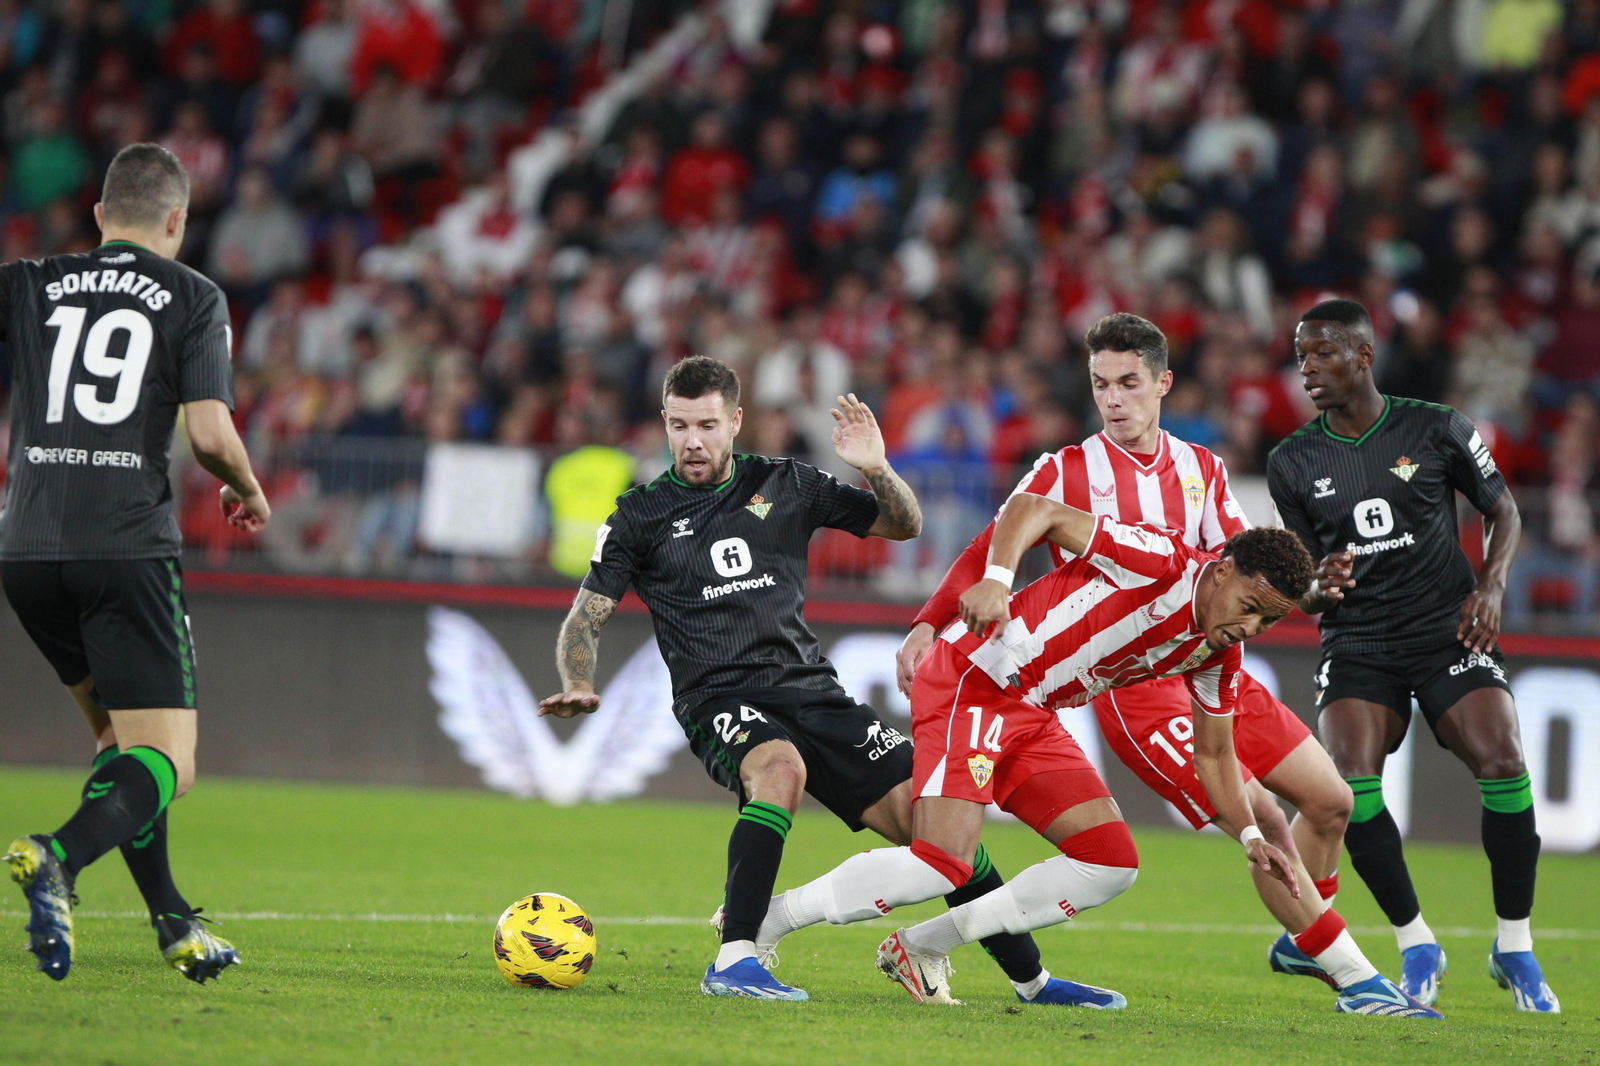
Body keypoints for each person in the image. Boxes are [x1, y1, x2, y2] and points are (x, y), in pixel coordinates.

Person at [539, 356, 1096, 1006]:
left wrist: (876, 467)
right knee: (779, 772)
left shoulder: (788, 483)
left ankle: (1031, 981)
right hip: (719, 698)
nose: (693, 440)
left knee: (936, 819)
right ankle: (736, 957)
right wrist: (577, 680)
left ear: (735, 422)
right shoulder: (640, 515)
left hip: (813, 691)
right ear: (664, 422)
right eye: (680, 425)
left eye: (708, 425)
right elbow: (588, 613)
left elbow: (903, 524)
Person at [755, 487, 1437, 1017]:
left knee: (1110, 863)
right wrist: (997, 577)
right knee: (944, 859)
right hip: (974, 681)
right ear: (1222, 569)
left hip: (1034, 711)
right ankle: (765, 920)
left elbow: (1216, 760)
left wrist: (1253, 831)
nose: (1249, 626)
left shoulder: (1215, 655)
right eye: (1250, 604)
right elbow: (1033, 508)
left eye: (1267, 619)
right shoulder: (1161, 559)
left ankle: (923, 947)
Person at [896, 313, 1364, 995]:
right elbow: (990, 544)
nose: (1114, 400)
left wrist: (1311, 595)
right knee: (1256, 812)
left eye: (1129, 383)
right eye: (1101, 386)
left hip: (1209, 651)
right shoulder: (1071, 469)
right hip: (1128, 678)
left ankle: (1305, 937)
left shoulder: (1201, 470)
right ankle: (1350, 968)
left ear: (1163, 383)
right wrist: (928, 621)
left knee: (1330, 800)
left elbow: (1249, 568)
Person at [1, 143, 270, 983]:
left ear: (96, 217)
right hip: (125, 548)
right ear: (177, 220)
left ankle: (172, 924)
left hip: (27, 546)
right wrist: (250, 491)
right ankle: (58, 857)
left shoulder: (28, 281)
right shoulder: (193, 294)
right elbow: (210, 434)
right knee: (170, 765)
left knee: (122, 745)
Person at [1267, 298, 1559, 1013]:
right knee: (1351, 780)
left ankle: (1514, 947)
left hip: (1446, 626)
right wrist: (1313, 589)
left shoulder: (1436, 426)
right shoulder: (1292, 462)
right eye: (1301, 355)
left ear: (1364, 356)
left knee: (1504, 761)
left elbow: (1504, 510)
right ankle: (1415, 941)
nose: (1307, 368)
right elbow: (1304, 579)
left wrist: (1490, 587)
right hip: (1359, 639)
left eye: (1323, 353)